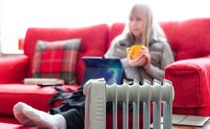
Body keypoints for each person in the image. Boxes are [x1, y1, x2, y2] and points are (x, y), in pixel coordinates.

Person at [13, 3, 174, 129]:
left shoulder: (161, 46)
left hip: (134, 93)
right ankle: (49, 117)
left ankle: (59, 121)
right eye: (131, 19)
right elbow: (105, 66)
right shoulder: (119, 43)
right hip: (109, 83)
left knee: (102, 94)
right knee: (85, 89)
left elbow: (170, 79)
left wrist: (148, 66)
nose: (134, 24)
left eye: (138, 19)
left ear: (149, 21)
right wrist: (126, 63)